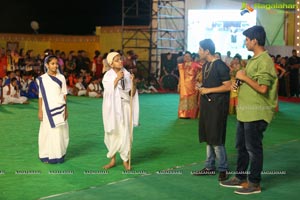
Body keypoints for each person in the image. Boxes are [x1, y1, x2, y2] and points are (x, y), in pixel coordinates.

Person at [220, 26, 278, 195]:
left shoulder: (265, 60)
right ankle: (240, 177)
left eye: (247, 39)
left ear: (255, 40)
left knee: (253, 148)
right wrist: (239, 80)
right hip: (245, 112)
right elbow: (245, 82)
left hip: (257, 112)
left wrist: (243, 77)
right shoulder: (253, 60)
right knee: (242, 146)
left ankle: (254, 183)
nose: (245, 42)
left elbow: (262, 89)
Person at [193, 39, 231, 182]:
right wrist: (201, 86)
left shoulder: (220, 65)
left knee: (216, 137)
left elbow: (228, 86)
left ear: (207, 51)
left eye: (200, 49)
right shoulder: (206, 65)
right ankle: (209, 166)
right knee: (208, 134)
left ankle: (223, 168)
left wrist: (208, 89)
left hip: (218, 106)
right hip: (207, 104)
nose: (198, 52)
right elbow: (210, 83)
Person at [102, 52, 139, 171]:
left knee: (126, 133)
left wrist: (133, 82)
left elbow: (131, 94)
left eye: (120, 59)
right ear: (111, 64)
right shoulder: (107, 76)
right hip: (112, 108)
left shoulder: (128, 74)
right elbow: (107, 93)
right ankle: (112, 160)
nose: (120, 61)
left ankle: (125, 160)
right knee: (112, 131)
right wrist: (117, 78)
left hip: (125, 106)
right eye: (117, 60)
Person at [36, 55, 69, 164]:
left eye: (56, 63)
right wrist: (40, 110)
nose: (55, 66)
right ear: (47, 65)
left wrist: (66, 109)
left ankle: (58, 155)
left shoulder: (61, 78)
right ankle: (46, 155)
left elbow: (64, 94)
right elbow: (40, 96)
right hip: (47, 110)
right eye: (52, 63)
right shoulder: (42, 79)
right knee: (47, 132)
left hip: (59, 108)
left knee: (60, 132)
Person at [177, 51, 201, 119]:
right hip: (183, 85)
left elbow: (203, 70)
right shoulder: (182, 65)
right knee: (183, 98)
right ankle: (183, 114)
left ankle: (191, 114)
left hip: (192, 85)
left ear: (191, 57)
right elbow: (180, 76)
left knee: (192, 99)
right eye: (185, 56)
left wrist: (198, 78)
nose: (186, 58)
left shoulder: (195, 64)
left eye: (188, 56)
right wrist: (179, 84)